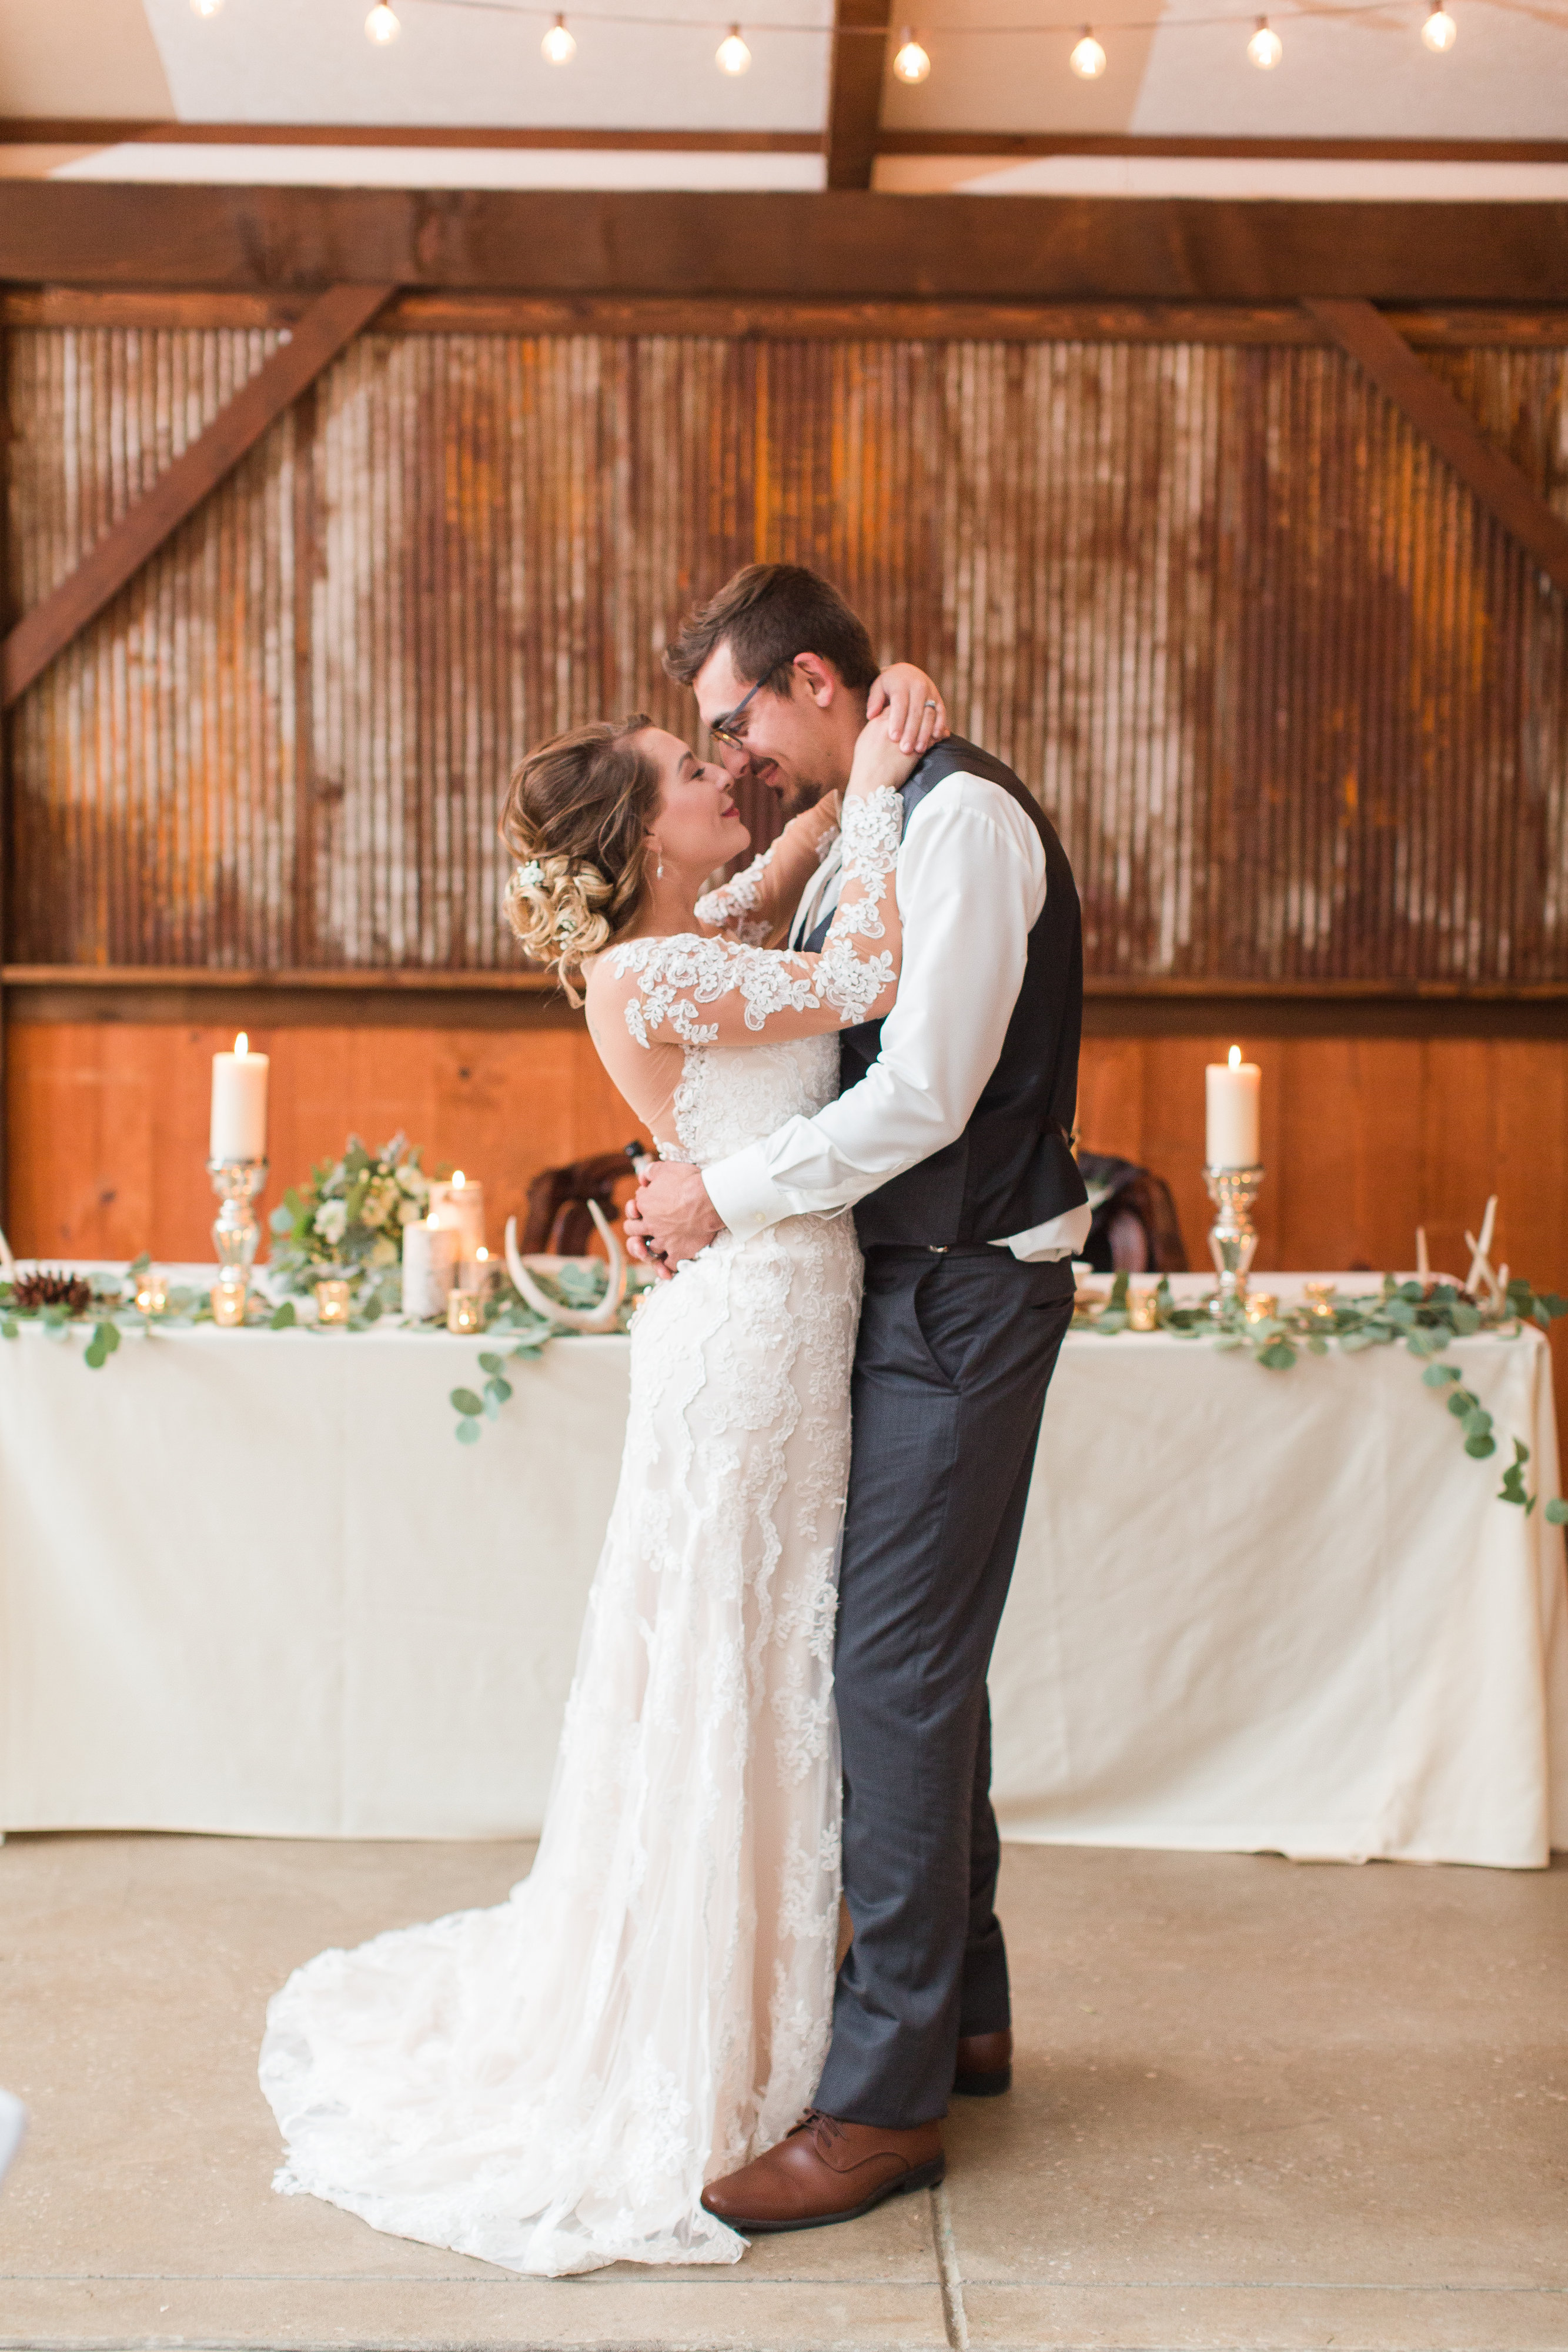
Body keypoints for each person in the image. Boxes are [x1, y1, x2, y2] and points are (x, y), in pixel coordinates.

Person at [257, 655, 947, 2278]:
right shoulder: (655, 976)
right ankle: (711, 2039)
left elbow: (779, 881)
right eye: (689, 774)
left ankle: (782, 1999)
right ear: (647, 840)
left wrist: (838, 788)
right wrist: (896, 795)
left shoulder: (691, 940)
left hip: (777, 1324)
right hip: (755, 1345)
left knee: (769, 1645)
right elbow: (861, 977)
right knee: (732, 1653)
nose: (724, 774)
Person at [628, 564, 1091, 2234]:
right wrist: (848, 808)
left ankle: (882, 2100)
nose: (731, 754)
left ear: (808, 681)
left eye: (735, 719)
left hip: (962, 1287)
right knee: (905, 1663)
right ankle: (960, 2010)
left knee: (888, 1672)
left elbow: (923, 1092)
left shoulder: (965, 826)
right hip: (893, 1285)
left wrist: (726, 1199)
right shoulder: (883, 817)